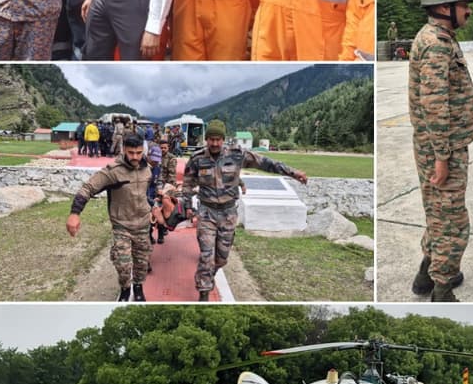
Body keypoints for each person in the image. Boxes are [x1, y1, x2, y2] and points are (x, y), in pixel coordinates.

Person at [408, 0, 473, 303]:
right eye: (464, 5)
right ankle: (442, 289)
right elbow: (434, 104)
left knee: (437, 213)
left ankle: (427, 273)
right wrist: (442, 157)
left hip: (437, 145)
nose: (468, 11)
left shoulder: (437, 37)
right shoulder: (437, 44)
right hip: (441, 147)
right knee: (452, 221)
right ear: (445, 7)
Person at [183, 120, 307, 301]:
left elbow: (266, 163)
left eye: (218, 139)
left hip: (228, 214)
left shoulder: (237, 155)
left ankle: (208, 275)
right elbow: (187, 183)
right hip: (207, 213)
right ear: (206, 139)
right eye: (211, 139)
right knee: (206, 256)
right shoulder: (197, 158)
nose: (215, 143)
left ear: (223, 139)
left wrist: (293, 173)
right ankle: (204, 293)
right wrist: (187, 206)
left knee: (222, 258)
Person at [67, 133, 161, 302]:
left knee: (142, 263)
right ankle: (125, 289)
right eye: (131, 152)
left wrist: (155, 205)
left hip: (143, 225)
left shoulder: (147, 167)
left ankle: (138, 288)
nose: (135, 157)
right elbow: (87, 188)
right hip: (122, 226)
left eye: (138, 153)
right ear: (124, 149)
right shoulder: (113, 171)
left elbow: (149, 189)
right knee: (123, 264)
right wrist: (75, 213)